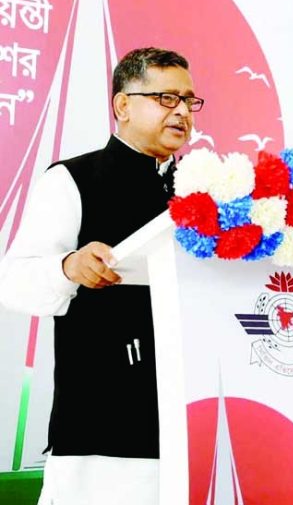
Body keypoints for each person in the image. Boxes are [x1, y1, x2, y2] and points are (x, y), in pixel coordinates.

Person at [0, 47, 203, 505]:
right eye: (166, 98)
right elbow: (13, 282)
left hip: (198, 421)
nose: (182, 112)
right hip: (104, 431)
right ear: (122, 105)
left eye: (189, 101)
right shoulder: (73, 179)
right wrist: (68, 267)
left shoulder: (207, 190)